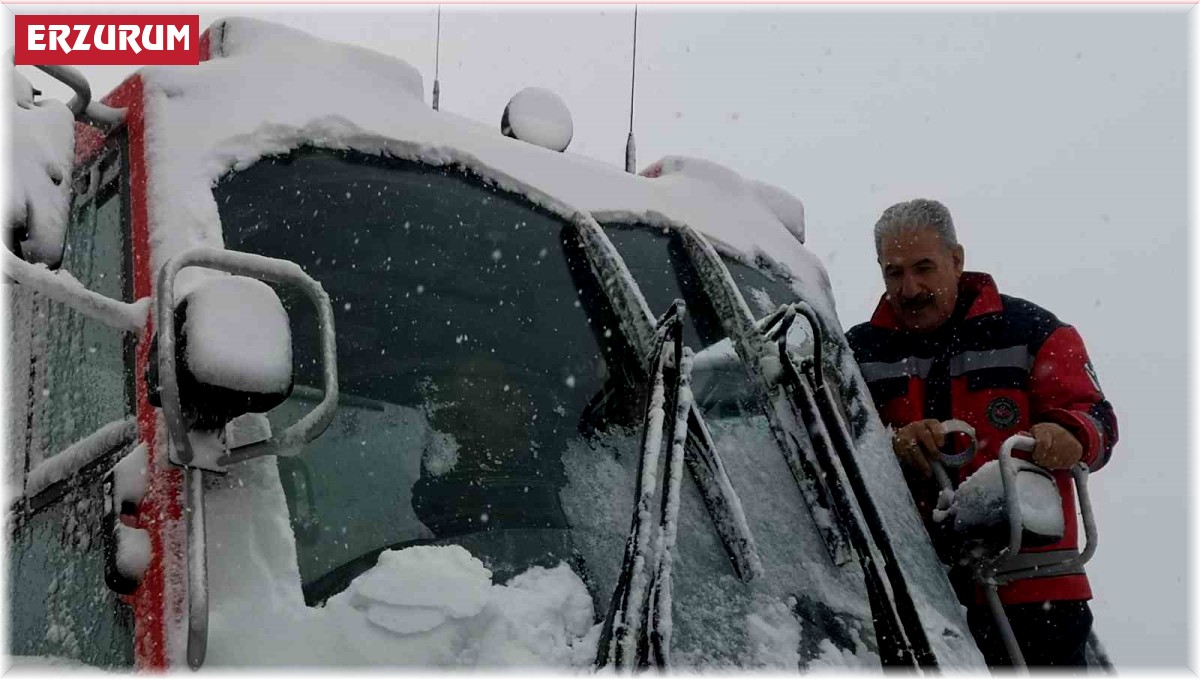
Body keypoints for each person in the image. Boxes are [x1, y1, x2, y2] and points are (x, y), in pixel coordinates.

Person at [844, 199, 1118, 667]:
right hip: (913, 599)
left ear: (957, 259)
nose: (909, 288)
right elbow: (835, 447)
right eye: (894, 273)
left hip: (1035, 592)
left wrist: (1066, 434)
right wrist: (892, 444)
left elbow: (1097, 418)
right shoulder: (856, 353)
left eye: (924, 268)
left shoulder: (1034, 332)